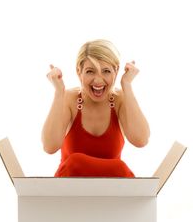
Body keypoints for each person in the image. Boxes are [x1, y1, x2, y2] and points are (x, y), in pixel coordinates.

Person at [41, 39, 150, 177]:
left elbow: (141, 140)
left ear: (116, 71)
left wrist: (127, 85)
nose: (98, 80)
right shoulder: (68, 98)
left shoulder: (120, 100)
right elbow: (49, 146)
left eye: (106, 71)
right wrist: (58, 92)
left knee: (120, 168)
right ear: (79, 71)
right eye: (90, 71)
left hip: (110, 192)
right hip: (69, 192)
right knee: (75, 161)